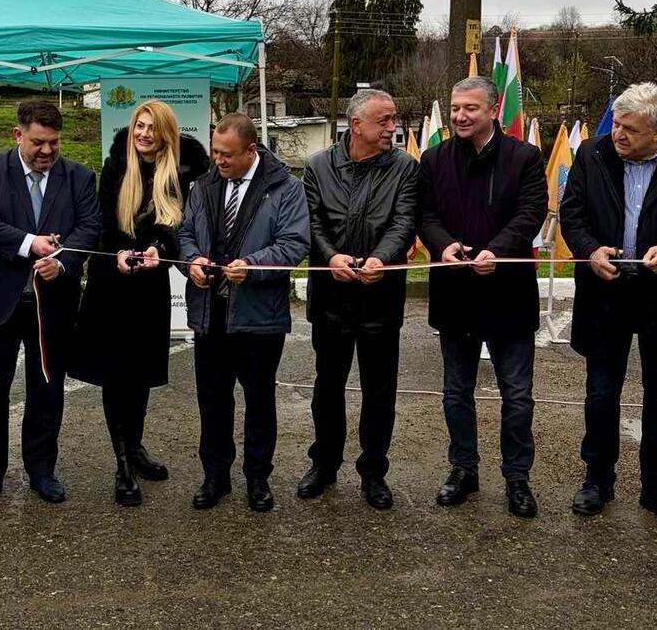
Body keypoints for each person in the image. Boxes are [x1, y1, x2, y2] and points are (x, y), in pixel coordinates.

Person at [560, 82, 657, 532]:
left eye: (631, 129)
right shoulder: (592, 155)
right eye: (617, 124)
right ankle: (597, 480)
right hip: (606, 293)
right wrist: (589, 250)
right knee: (601, 393)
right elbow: (572, 213)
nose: (618, 135)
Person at [417, 76, 547, 518]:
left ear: (493, 110)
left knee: (518, 395)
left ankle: (517, 478)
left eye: (470, 108)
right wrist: (443, 244)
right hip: (455, 294)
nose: (459, 116)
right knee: (456, 392)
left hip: (508, 293)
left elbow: (532, 211)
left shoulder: (525, 157)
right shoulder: (434, 159)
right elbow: (425, 213)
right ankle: (463, 469)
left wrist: (501, 249)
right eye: (455, 108)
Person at [0, 99, 101, 511]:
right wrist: (28, 244)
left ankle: (41, 470)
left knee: (46, 389)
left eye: (54, 143)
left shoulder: (78, 177)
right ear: (17, 135)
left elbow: (89, 227)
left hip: (52, 304)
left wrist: (63, 261)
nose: (47, 151)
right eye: (38, 142)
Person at [71, 100, 209, 506]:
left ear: (166, 133)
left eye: (152, 128)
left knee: (141, 371)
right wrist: (118, 251)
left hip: (149, 285)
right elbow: (104, 224)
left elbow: (175, 225)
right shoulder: (116, 166)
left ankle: (135, 446)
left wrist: (157, 248)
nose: (144, 134)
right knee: (116, 375)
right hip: (111, 285)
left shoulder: (180, 173)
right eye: (139, 126)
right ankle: (122, 464)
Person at [178, 112, 309, 513]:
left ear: (251, 150)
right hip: (210, 313)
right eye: (216, 152)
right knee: (212, 401)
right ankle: (215, 476)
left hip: (258, 317)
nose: (219, 160)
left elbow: (294, 244)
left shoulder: (286, 188)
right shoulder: (201, 185)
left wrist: (252, 264)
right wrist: (192, 261)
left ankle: (257, 478)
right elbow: (183, 234)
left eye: (227, 155)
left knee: (259, 401)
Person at [296, 89, 418, 509]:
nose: (392, 128)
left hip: (380, 298)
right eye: (383, 121)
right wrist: (331, 257)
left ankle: (373, 471)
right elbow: (309, 222)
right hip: (331, 297)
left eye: (393, 120)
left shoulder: (405, 168)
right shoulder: (317, 166)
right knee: (327, 387)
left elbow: (405, 221)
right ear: (357, 124)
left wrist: (382, 258)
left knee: (379, 391)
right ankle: (324, 464)